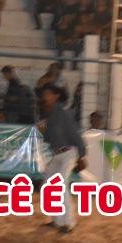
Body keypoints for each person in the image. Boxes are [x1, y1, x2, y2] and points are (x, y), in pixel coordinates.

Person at [37, 83, 87, 234]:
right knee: (49, 185)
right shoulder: (50, 114)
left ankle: (69, 223)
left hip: (68, 153)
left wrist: (82, 155)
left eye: (48, 94)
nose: (45, 97)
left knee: (59, 185)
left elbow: (75, 135)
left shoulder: (64, 113)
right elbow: (50, 139)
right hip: (58, 154)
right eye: (44, 94)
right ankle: (57, 220)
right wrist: (43, 131)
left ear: (56, 96)